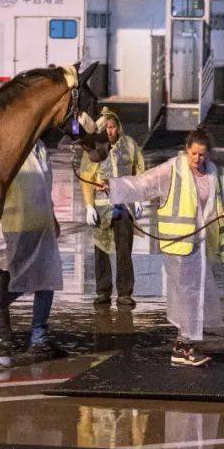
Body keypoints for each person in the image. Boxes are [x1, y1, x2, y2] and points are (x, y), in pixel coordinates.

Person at [101, 128, 224, 366]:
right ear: (187, 150)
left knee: (197, 295)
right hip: (178, 244)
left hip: (201, 245)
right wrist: (113, 187)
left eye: (203, 155)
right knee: (185, 294)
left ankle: (184, 344)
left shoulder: (216, 173)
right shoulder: (173, 169)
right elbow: (143, 184)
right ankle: (185, 347)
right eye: (194, 154)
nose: (198, 159)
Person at [0, 139, 65, 361]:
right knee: (19, 282)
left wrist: (52, 216)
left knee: (47, 281)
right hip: (20, 224)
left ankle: (39, 338)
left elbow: (44, 185)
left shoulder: (41, 147)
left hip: (42, 222)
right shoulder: (14, 146)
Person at [80, 107, 145, 308]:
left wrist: (138, 198)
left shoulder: (130, 145)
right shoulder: (95, 148)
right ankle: (103, 291)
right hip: (101, 208)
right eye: (106, 127)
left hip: (123, 207)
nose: (110, 131)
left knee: (124, 250)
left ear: (118, 127)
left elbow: (140, 172)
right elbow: (86, 178)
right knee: (101, 251)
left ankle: (125, 293)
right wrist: (89, 205)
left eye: (112, 126)